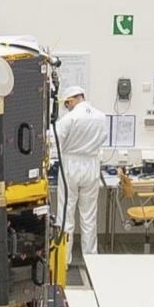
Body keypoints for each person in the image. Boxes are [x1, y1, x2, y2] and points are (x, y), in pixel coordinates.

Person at [52, 86, 109, 264]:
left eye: (67, 104)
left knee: (66, 214)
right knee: (89, 215)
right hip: (92, 165)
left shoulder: (69, 118)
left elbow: (55, 141)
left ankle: (64, 260)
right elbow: (103, 140)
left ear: (71, 100)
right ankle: (91, 260)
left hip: (70, 166)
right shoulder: (101, 117)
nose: (66, 107)